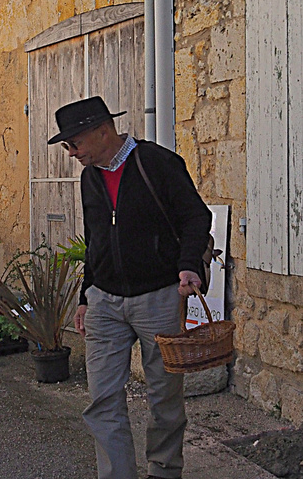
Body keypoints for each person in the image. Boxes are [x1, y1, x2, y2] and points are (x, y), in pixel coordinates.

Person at [49, 96, 212, 479]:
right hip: (105, 302)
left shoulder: (157, 163)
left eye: (75, 143)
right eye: (67, 146)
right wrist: (86, 295)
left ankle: (164, 470)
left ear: (104, 130)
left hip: (158, 298)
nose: (72, 153)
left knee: (164, 398)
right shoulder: (90, 176)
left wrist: (189, 266)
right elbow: (96, 241)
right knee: (102, 399)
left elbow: (196, 217)